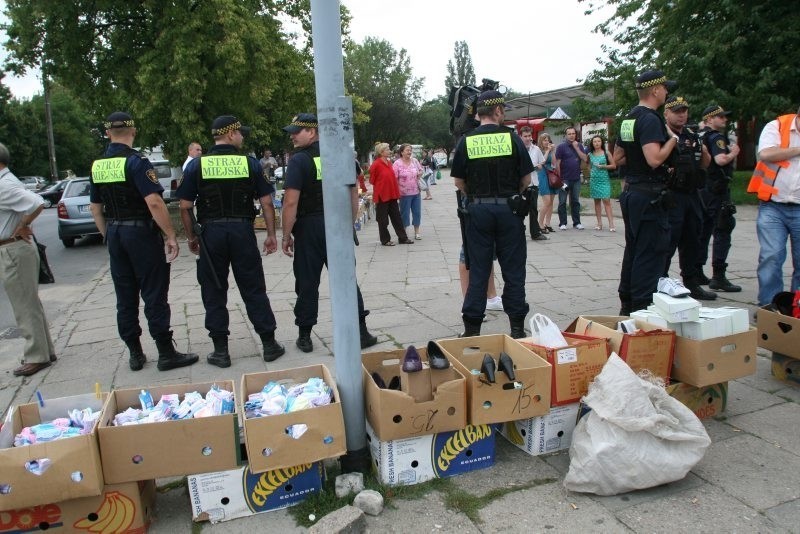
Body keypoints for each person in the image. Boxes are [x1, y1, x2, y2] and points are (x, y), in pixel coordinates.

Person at [89, 112, 198, 372]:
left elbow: (95, 208)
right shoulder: (137, 162)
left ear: (107, 133)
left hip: (115, 232)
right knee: (154, 291)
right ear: (133, 131)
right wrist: (170, 234)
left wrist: (108, 234)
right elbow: (154, 202)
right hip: (140, 233)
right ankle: (165, 352)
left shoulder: (98, 165)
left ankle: (135, 354)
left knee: (124, 296)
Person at [177, 115, 284, 368]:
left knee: (213, 290)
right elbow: (267, 202)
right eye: (240, 133)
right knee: (253, 287)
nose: (243, 137)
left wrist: (192, 236)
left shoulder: (196, 166)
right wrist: (271, 234)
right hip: (242, 231)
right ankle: (269, 344)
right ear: (230, 134)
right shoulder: (250, 164)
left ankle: (221, 351)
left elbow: (184, 206)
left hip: (211, 234)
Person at [280, 113, 378, 352]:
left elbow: (291, 202)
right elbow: (353, 194)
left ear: (312, 132)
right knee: (346, 280)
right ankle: (361, 332)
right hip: (337, 224)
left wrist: (286, 234)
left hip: (310, 227)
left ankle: (304, 336)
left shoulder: (299, 160)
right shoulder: (342, 154)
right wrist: (350, 223)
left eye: (297, 131)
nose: (292, 135)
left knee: (307, 282)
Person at [450, 90, 533, 338]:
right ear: (497, 111)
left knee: (478, 270)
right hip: (509, 209)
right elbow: (526, 179)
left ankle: (472, 329)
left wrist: (477, 198)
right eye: (504, 110)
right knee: (514, 271)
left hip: (478, 211)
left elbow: (458, 182)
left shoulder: (467, 140)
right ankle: (517, 328)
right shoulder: (513, 139)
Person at [614, 70, 679, 314]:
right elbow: (654, 159)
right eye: (664, 88)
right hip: (649, 194)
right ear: (654, 90)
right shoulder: (651, 119)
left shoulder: (629, 118)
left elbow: (618, 156)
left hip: (632, 191)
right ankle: (642, 307)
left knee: (634, 249)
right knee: (650, 252)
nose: (666, 92)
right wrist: (672, 139)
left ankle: (627, 302)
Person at [0, 142, 57, 377]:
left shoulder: (3, 185)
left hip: (13, 249)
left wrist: (23, 225)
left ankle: (36, 355)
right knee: (30, 302)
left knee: (24, 304)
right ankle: (44, 351)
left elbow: (36, 202)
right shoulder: (7, 181)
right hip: (15, 248)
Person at [661, 96, 716, 300]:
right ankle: (661, 281)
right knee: (669, 240)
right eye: (677, 111)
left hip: (692, 194)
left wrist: (700, 146)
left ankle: (691, 282)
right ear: (666, 113)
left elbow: (705, 162)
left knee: (693, 238)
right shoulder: (661, 134)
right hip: (672, 194)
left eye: (684, 110)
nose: (682, 114)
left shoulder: (693, 134)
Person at [748, 106, 800, 306]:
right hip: (773, 207)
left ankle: (796, 310)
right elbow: (766, 154)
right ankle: (769, 307)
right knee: (772, 257)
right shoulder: (777, 126)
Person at [698, 104, 741, 292]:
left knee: (703, 230)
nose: (724, 120)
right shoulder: (716, 138)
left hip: (703, 189)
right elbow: (721, 160)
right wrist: (734, 152)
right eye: (720, 117)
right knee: (722, 229)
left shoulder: (702, 135)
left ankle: (696, 270)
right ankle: (719, 276)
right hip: (717, 190)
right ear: (709, 119)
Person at [368, 143, 414, 246]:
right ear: (381, 152)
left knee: (397, 218)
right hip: (382, 195)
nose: (390, 151)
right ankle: (385, 240)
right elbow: (372, 180)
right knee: (383, 220)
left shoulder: (389, 163)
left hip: (392, 194)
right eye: (387, 149)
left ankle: (403, 238)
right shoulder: (376, 164)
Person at [555, 127, 588, 230]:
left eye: (573, 133)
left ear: (575, 135)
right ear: (566, 135)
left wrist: (577, 148)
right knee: (562, 201)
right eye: (569, 134)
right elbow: (557, 163)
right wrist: (560, 179)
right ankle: (563, 223)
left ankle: (577, 222)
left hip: (576, 178)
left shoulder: (579, 146)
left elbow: (585, 159)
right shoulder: (561, 147)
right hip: (564, 178)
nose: (571, 135)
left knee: (575, 201)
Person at [520, 126, 547, 241]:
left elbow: (541, 163)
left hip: (533, 183)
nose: (527, 138)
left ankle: (535, 233)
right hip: (520, 184)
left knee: (533, 209)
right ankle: (518, 232)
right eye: (525, 136)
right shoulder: (517, 148)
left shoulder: (535, 149)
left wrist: (539, 166)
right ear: (520, 136)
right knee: (519, 209)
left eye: (529, 136)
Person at [393, 144, 425, 239]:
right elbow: (394, 178)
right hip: (403, 193)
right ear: (402, 152)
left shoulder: (414, 161)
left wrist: (419, 173)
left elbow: (421, 170)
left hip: (416, 192)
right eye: (407, 150)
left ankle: (417, 232)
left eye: (410, 150)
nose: (409, 152)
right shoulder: (397, 163)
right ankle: (404, 232)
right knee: (404, 213)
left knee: (417, 212)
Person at [588, 135, 617, 231]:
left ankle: (611, 224)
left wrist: (603, 166)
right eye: (594, 141)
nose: (596, 143)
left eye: (598, 141)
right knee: (596, 201)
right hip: (594, 180)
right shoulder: (590, 154)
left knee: (606, 201)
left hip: (604, 179)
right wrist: (590, 174)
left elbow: (613, 166)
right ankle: (599, 223)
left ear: (602, 142)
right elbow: (588, 166)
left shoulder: (606, 153)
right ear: (592, 143)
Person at [537, 133, 557, 233]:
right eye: (545, 140)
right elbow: (542, 161)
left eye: (548, 140)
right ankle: (540, 224)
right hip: (543, 175)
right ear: (541, 141)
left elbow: (554, 163)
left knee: (551, 201)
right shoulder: (538, 150)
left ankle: (548, 223)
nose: (547, 142)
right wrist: (548, 150)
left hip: (551, 175)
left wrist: (552, 151)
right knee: (547, 201)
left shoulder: (550, 150)